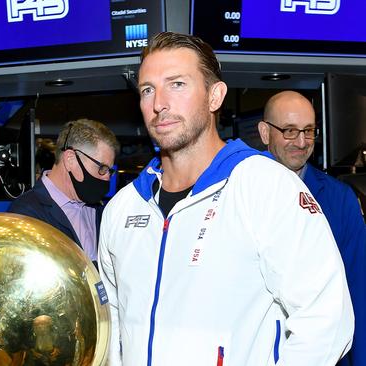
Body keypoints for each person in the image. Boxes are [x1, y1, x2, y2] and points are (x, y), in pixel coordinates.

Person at [98, 32, 354, 365]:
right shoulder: (122, 208)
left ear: (215, 96)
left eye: (177, 84)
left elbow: (327, 320)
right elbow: (112, 325)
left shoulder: (266, 186)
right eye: (148, 89)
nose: (159, 103)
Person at [258, 90, 366, 366]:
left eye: (309, 130)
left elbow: (357, 289)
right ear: (264, 133)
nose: (302, 142)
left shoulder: (339, 199)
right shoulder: (239, 190)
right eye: (290, 131)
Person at [8, 119, 119, 264]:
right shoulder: (24, 216)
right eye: (101, 168)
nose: (107, 178)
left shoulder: (101, 210)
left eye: (109, 171)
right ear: (70, 159)